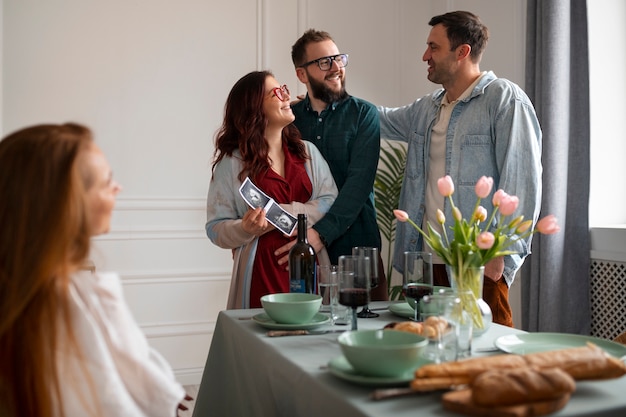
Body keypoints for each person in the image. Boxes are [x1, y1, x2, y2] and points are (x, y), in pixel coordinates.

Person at [0, 123, 190, 417]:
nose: (118, 188)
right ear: (66, 205)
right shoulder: (81, 301)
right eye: (106, 182)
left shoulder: (20, 293)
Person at [378, 11, 542, 327]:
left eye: (433, 47)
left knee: (485, 359)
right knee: (431, 354)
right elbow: (379, 119)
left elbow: (522, 181)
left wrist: (499, 255)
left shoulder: (504, 99)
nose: (425, 56)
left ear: (462, 52)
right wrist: (335, 98)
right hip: (426, 262)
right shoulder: (427, 108)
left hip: (477, 264)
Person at [205, 70, 338, 309]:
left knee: (311, 338)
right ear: (254, 108)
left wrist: (283, 212)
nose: (286, 96)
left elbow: (330, 201)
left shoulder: (308, 153)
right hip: (261, 274)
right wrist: (245, 228)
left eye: (283, 89)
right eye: (275, 93)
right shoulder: (232, 163)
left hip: (310, 266)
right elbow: (216, 229)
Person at [280, 29, 388, 301]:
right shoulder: (290, 123)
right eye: (325, 62)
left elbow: (358, 185)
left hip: (358, 252)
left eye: (338, 59)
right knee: (308, 338)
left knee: (366, 338)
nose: (336, 68)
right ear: (302, 74)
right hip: (301, 252)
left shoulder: (364, 114)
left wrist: (320, 235)